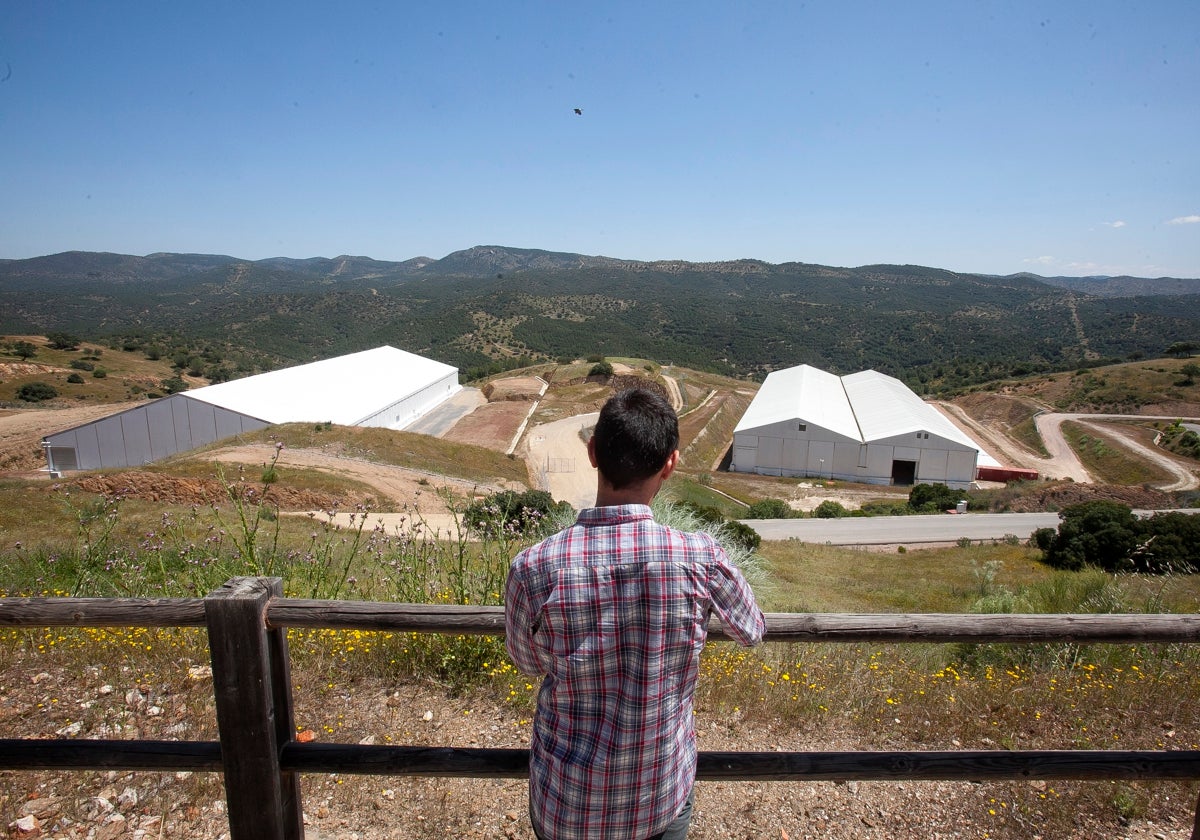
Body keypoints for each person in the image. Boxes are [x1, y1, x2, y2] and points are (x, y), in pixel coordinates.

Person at [504, 386, 765, 840]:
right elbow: (752, 629)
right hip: (657, 796)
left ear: (592, 453)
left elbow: (528, 663)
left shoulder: (534, 566)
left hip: (567, 803)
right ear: (670, 463)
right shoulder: (700, 557)